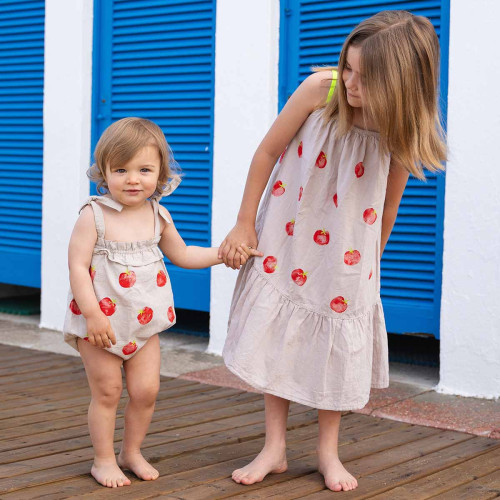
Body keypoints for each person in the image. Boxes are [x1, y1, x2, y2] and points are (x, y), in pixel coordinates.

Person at [219, 10, 446, 492]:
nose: (350, 82)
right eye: (348, 66)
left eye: (364, 77)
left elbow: (389, 206)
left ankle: (327, 451)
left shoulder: (398, 127)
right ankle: (274, 446)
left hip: (348, 252)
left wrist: (373, 258)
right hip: (289, 231)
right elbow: (266, 152)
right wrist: (244, 223)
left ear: (400, 85)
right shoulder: (319, 90)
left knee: (335, 343)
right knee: (279, 334)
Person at [63, 117, 259, 488]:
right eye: (120, 170)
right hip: (101, 326)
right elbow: (76, 266)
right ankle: (103, 460)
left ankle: (131, 451)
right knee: (108, 391)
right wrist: (93, 315)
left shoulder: (158, 214)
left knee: (146, 391)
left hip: (143, 323)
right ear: (103, 171)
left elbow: (183, 255)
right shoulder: (94, 216)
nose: (132, 179)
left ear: (160, 173)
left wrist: (223, 253)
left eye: (144, 169)